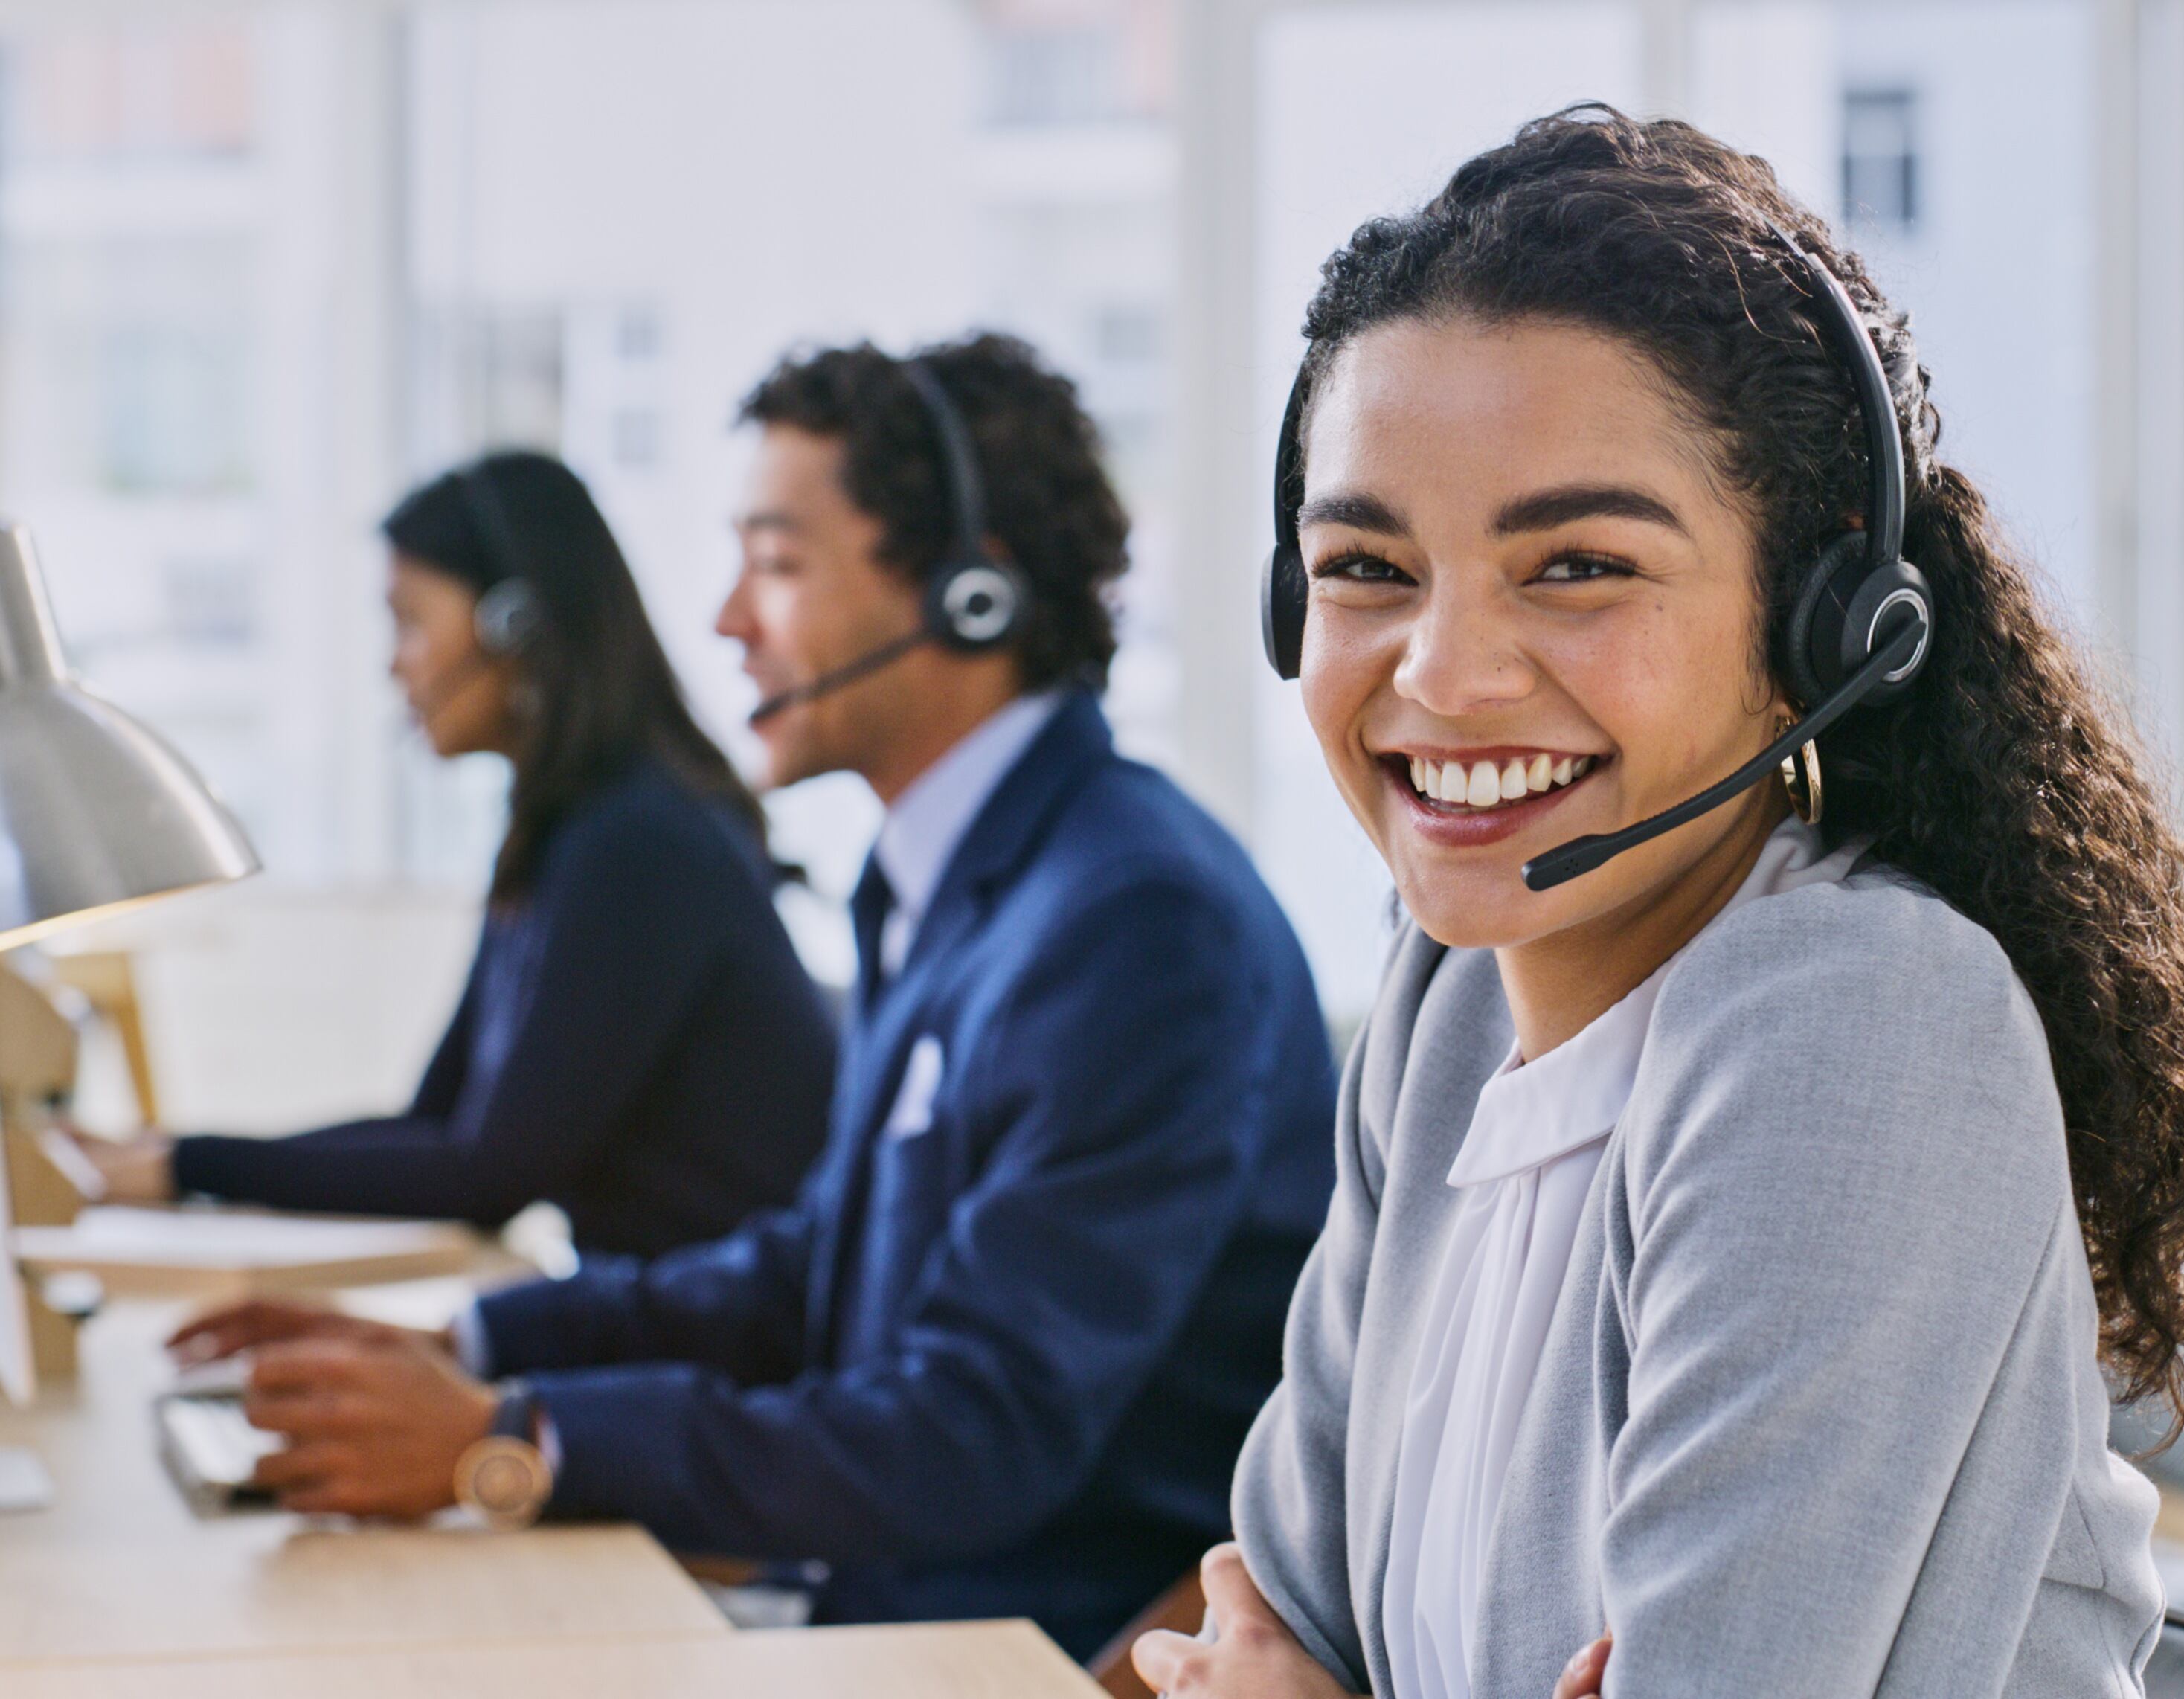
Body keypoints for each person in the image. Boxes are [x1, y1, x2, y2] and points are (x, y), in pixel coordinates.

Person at [1134, 109, 2184, 1698]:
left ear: (1826, 622)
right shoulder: (1446, 1003)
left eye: (1576, 564)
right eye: (1366, 565)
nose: (1439, 672)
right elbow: (1270, 1605)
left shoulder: (1855, 1022)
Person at [170, 335, 1339, 1660]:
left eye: (777, 565)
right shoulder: (943, 879)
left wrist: (514, 1441)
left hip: (1001, 1647)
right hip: (876, 1598)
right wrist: (471, 1341)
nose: (727, 618)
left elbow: (970, 1433)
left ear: (971, 596)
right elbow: (810, 1268)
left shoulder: (1133, 921)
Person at [71, 452, 835, 1261]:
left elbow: (489, 1174)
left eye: (409, 620)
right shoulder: (561, 832)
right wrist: (173, 1155)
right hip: (646, 1324)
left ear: (517, 627)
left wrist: (185, 1168)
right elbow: (436, 1121)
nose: (394, 662)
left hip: (717, 1348)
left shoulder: (637, 843)